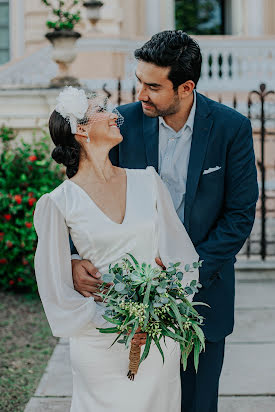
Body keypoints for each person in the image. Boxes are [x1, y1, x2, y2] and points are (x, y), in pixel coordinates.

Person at [71, 31, 259, 412]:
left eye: (153, 86)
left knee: (196, 404)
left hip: (203, 296)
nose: (140, 93)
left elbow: (239, 215)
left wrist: (185, 272)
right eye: (140, 80)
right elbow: (86, 194)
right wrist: (75, 257)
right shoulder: (119, 123)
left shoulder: (230, 128)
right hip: (124, 297)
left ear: (186, 87)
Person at [34, 86, 200, 412]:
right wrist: (107, 319)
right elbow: (53, 284)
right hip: (100, 342)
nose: (115, 115)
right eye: (102, 110)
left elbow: (182, 256)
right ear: (81, 129)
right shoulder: (57, 203)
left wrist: (162, 310)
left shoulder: (148, 182)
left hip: (155, 337)